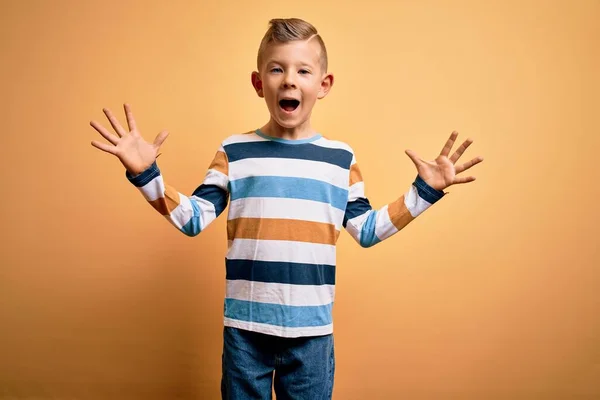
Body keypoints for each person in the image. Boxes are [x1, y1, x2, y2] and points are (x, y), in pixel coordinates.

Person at [90, 17, 483, 400]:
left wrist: (424, 191)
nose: (289, 80)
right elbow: (193, 219)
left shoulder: (340, 159)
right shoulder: (234, 152)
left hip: (312, 333)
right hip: (245, 331)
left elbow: (366, 229)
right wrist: (146, 174)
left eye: (303, 71)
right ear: (259, 83)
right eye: (277, 69)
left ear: (323, 84)